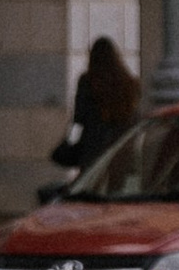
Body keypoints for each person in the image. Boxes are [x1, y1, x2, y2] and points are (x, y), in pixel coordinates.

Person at [51, 35, 139, 175]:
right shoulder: (130, 83)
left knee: (92, 186)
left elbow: (78, 119)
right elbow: (134, 118)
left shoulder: (87, 82)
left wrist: (70, 141)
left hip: (93, 149)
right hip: (121, 150)